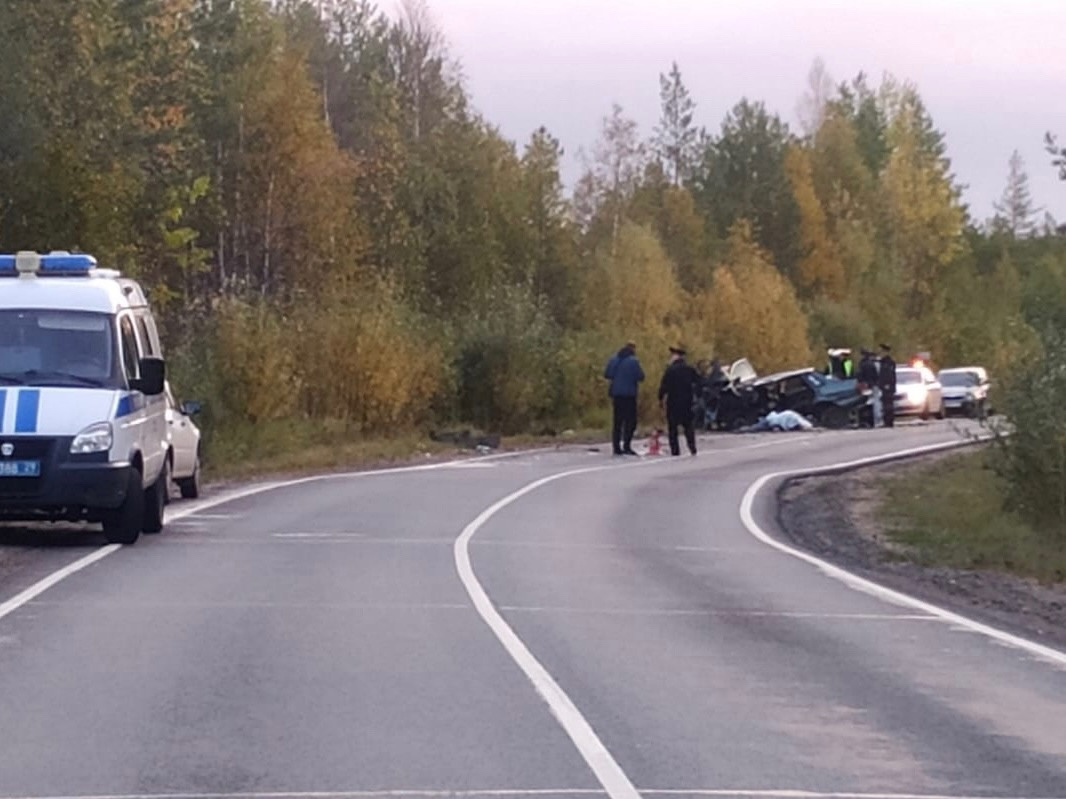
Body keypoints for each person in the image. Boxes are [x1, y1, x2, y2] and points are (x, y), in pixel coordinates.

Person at [658, 344, 700, 456]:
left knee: (673, 429)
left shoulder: (670, 370)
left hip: (673, 403)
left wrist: (660, 400)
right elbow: (699, 382)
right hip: (687, 402)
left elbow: (663, 386)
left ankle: (675, 451)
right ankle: (692, 448)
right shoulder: (690, 369)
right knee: (688, 427)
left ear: (676, 356)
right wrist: (697, 396)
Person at [604, 341, 644, 455]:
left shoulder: (613, 359)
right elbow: (640, 376)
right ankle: (627, 445)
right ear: (633, 350)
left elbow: (607, 374)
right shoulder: (633, 361)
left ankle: (616, 448)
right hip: (629, 395)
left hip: (616, 395)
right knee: (630, 421)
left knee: (617, 422)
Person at [857, 349, 880, 428]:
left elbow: (859, 375)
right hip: (873, 385)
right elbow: (876, 375)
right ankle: (876, 419)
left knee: (865, 403)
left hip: (865, 386)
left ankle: (866, 420)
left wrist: (860, 383)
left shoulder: (862, 364)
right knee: (875, 402)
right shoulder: (872, 364)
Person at [878, 343, 897, 428]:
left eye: (882, 351)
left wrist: (887, 384)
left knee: (888, 404)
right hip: (884, 386)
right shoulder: (883, 362)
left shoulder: (889, 362)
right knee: (885, 404)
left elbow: (889, 375)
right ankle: (887, 421)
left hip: (888, 386)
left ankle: (889, 421)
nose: (880, 353)